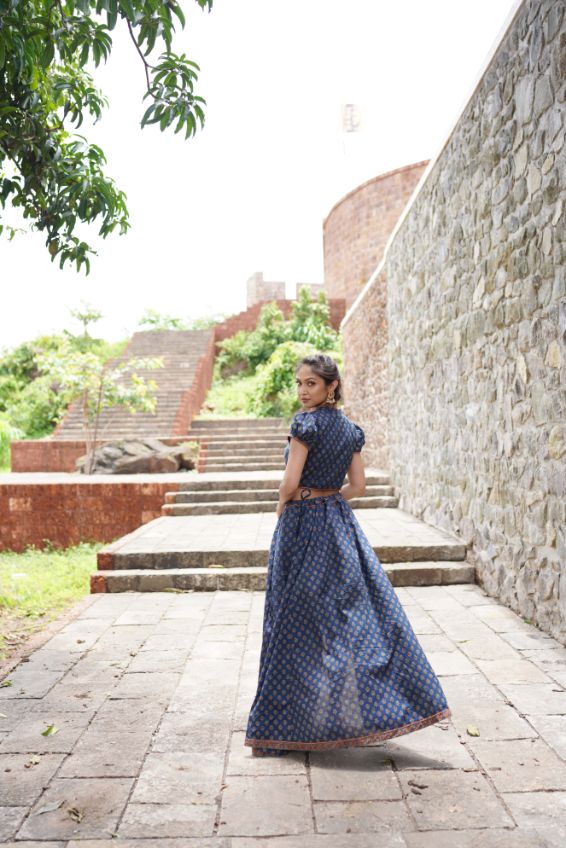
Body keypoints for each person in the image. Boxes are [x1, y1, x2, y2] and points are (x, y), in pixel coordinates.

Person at [244, 353, 452, 756]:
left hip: (302, 525)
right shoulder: (350, 430)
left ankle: (289, 727)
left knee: (291, 620)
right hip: (338, 525)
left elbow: (289, 482)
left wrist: (286, 502)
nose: (303, 391)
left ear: (331, 386)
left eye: (311, 384)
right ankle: (384, 708)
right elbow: (357, 487)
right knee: (355, 618)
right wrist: (328, 497)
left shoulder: (304, 425)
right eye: (300, 383)